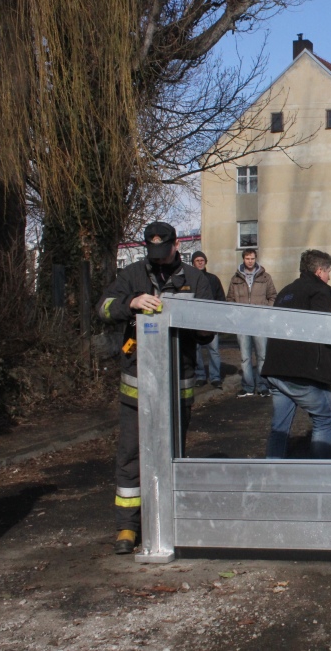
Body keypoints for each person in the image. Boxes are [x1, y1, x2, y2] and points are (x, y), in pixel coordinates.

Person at [96, 222, 213, 555]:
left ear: (176, 246)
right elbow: (103, 307)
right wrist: (130, 303)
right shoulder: (132, 275)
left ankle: (170, 522)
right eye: (153, 251)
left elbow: (209, 331)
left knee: (173, 455)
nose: (159, 258)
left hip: (178, 384)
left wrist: (192, 319)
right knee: (131, 456)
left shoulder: (195, 278)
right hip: (137, 388)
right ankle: (127, 527)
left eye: (164, 251)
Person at [259, 249, 331, 459]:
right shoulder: (319, 290)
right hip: (302, 372)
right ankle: (318, 475)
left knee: (279, 428)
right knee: (325, 419)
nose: (330, 277)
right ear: (320, 271)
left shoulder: (285, 292)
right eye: (329, 272)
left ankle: (272, 473)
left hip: (276, 369)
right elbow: (322, 326)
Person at [226, 249, 277, 397]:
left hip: (260, 322)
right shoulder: (235, 278)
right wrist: (236, 315)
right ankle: (248, 387)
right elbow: (229, 299)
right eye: (247, 258)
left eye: (252, 258)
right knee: (245, 357)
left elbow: (273, 296)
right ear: (243, 259)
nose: (250, 261)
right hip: (242, 323)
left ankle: (262, 386)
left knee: (262, 356)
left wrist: (265, 311)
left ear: (256, 259)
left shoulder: (265, 277)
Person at [190, 251, 226, 388]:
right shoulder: (189, 279)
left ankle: (215, 377)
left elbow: (221, 299)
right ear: (193, 262)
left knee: (214, 349)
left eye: (202, 260)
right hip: (194, 321)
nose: (200, 262)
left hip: (211, 320)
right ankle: (200, 376)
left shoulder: (213, 279)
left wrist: (219, 317)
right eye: (197, 260)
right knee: (196, 350)